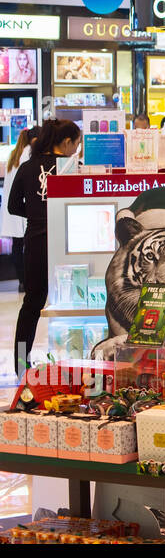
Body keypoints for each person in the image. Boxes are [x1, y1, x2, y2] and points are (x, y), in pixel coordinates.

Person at [7, 120, 82, 374]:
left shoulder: (27, 167)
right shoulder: (70, 167)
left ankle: (20, 363)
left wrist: (37, 214)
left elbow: (12, 206)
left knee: (32, 303)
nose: (77, 148)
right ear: (67, 142)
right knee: (76, 301)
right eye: (77, 143)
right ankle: (74, 360)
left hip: (36, 241)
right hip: (66, 241)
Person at [1, 128, 32, 290]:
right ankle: (27, 280)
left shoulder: (12, 155)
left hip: (12, 207)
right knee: (27, 246)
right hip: (23, 207)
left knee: (17, 245)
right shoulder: (28, 154)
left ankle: (21, 280)